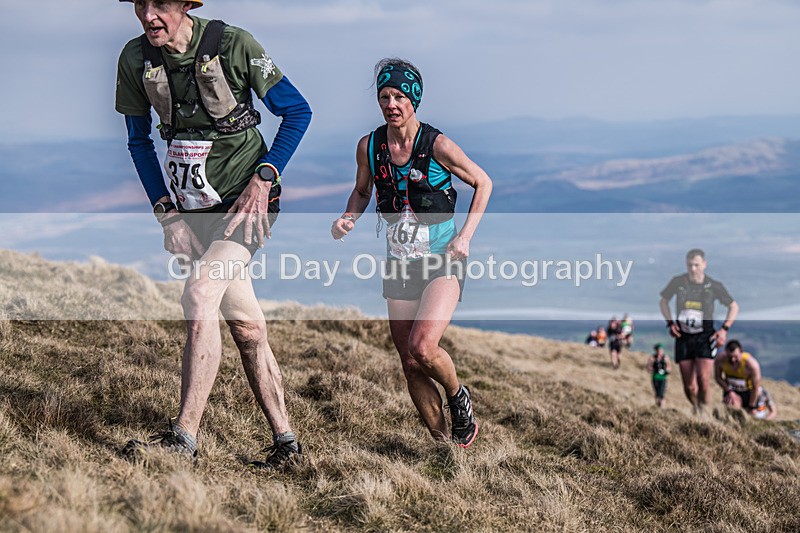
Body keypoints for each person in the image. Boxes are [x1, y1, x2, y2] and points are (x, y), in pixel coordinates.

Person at [115, 0, 311, 468]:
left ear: (186, 5)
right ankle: (287, 446)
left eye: (159, 4)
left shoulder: (234, 44)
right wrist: (167, 213)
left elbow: (298, 111)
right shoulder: (134, 58)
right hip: (191, 212)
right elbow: (139, 141)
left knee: (200, 294)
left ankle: (183, 439)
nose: (147, 15)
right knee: (247, 326)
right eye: (139, 4)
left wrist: (265, 178)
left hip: (246, 208)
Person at [330, 58, 492, 447]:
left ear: (414, 99)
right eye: (385, 96)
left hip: (442, 258)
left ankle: (457, 395)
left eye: (400, 96)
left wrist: (465, 237)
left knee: (423, 346)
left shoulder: (437, 145)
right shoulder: (369, 146)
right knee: (408, 362)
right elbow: (363, 190)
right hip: (399, 261)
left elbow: (483, 183)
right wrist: (349, 217)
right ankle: (443, 448)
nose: (391, 103)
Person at [659, 248, 738, 414]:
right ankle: (695, 407)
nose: (693, 269)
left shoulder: (714, 286)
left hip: (705, 337)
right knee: (689, 385)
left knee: (703, 380)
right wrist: (670, 323)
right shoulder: (678, 282)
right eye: (689, 265)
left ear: (704, 264)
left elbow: (733, 306)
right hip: (683, 337)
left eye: (696, 265)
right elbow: (663, 301)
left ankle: (705, 412)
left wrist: (724, 329)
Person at [715, 340, 777, 421]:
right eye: (730, 357)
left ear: (741, 353)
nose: (733, 360)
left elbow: (755, 387)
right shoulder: (720, 360)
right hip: (732, 392)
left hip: (750, 393)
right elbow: (718, 378)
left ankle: (764, 421)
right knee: (733, 415)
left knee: (757, 417)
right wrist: (729, 391)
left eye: (736, 357)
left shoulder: (751, 365)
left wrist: (751, 406)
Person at [647, 343, 672, 408]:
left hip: (662, 378)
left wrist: (666, 370)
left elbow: (669, 367)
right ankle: (657, 406)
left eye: (661, 350)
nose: (659, 352)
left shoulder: (665, 358)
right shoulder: (652, 358)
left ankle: (662, 407)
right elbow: (648, 368)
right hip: (655, 378)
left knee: (661, 394)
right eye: (658, 350)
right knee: (657, 393)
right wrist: (654, 369)